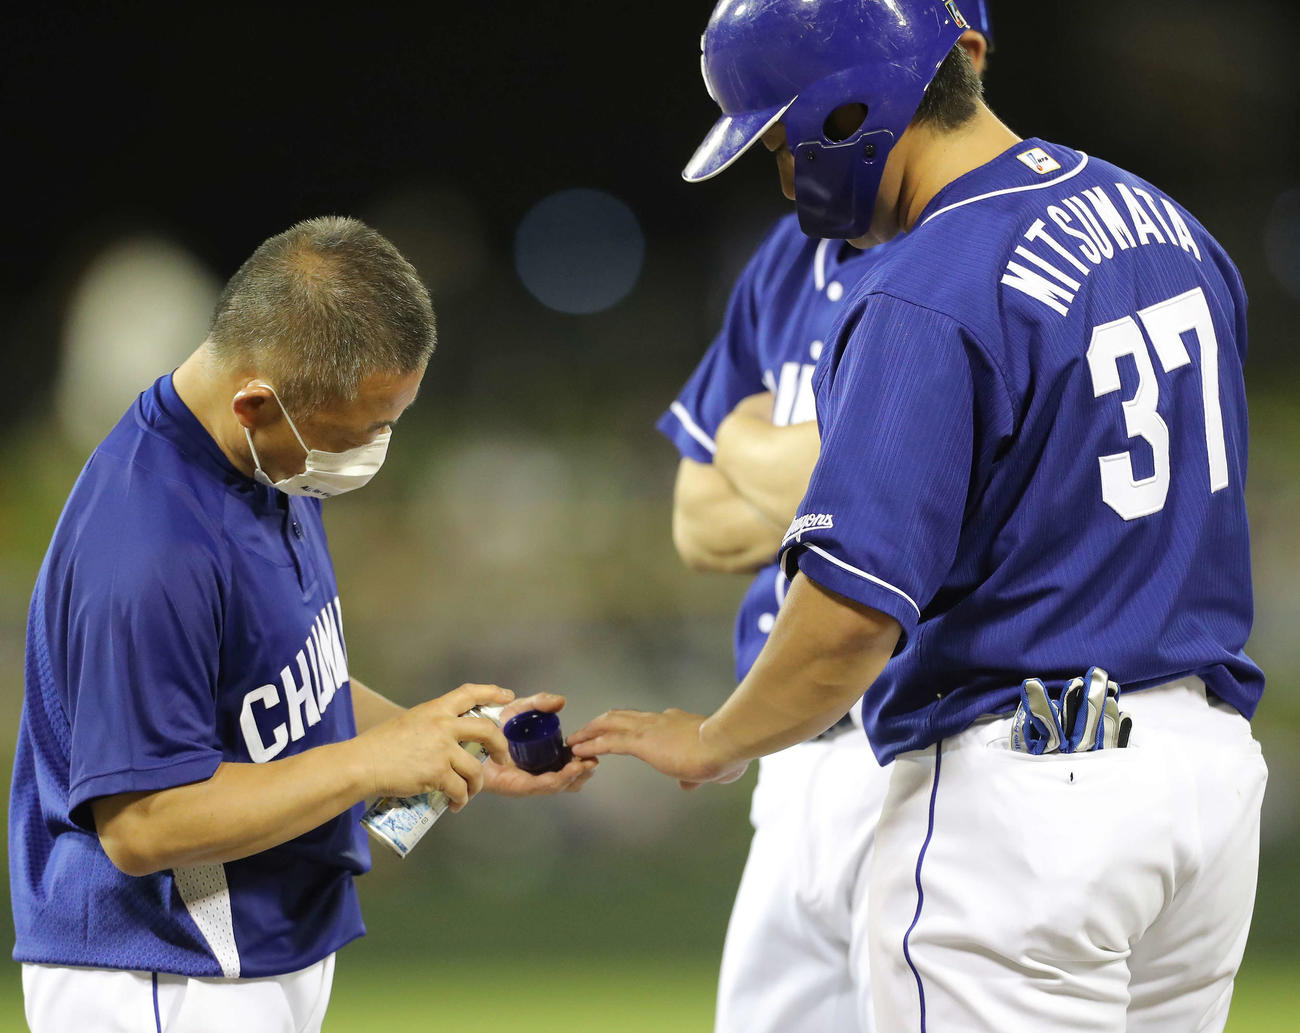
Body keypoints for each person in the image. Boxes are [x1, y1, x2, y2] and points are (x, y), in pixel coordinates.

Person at [572, 3, 1268, 1031]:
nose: (781, 175)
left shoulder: (929, 284)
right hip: (1201, 783)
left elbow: (846, 620)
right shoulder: (1165, 224)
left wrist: (714, 740)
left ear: (846, 112)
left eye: (776, 141)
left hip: (1024, 803)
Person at [9, 216, 595, 1033]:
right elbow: (144, 824)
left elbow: (276, 688)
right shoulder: (146, 542)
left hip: (252, 947)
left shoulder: (264, 459)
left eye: (388, 421)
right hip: (163, 971)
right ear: (257, 400)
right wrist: (365, 762)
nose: (373, 447)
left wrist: (439, 737)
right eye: (354, 431)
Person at [660, 10, 992, 1028]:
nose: (785, 172)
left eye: (784, 139)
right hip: (794, 753)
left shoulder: (971, 253)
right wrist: (853, 482)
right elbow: (694, 517)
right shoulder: (788, 262)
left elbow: (962, 490)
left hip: (938, 749)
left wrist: (760, 445)